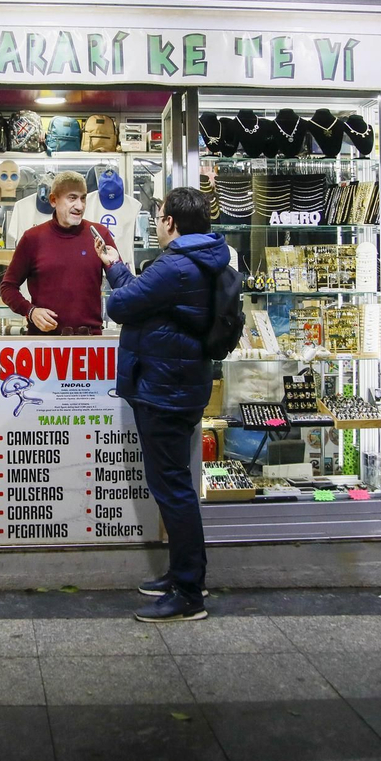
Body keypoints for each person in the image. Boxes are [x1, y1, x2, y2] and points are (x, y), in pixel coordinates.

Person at [96, 186, 230, 622]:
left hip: (165, 391)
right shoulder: (204, 257)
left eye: (158, 217)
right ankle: (180, 574)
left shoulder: (176, 266)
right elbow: (143, 297)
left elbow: (121, 305)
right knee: (174, 486)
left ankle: (189, 593)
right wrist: (115, 265)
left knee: (173, 489)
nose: (156, 223)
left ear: (171, 222)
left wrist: (118, 282)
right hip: (180, 385)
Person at [0, 170, 117, 335]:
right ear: (53, 200)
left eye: (83, 198)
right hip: (45, 343)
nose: (80, 206)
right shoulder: (33, 238)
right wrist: (31, 311)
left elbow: (121, 283)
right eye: (72, 198)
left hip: (89, 343)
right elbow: (7, 287)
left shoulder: (99, 235)